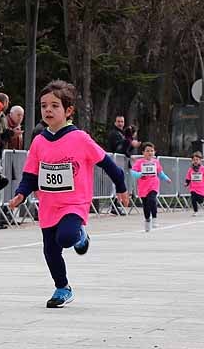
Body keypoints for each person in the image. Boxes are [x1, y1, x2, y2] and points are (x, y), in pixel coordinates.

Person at [7, 80, 129, 308]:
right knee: (50, 251)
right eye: (44, 106)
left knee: (65, 237)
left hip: (74, 202)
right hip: (48, 205)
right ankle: (62, 288)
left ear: (68, 110)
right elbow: (31, 174)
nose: (48, 110)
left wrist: (121, 187)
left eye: (54, 106)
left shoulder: (80, 138)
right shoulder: (39, 141)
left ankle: (81, 235)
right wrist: (21, 194)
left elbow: (109, 164)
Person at [131, 142, 171, 232]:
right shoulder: (139, 162)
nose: (150, 153)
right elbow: (133, 173)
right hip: (143, 187)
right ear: (143, 152)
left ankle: (155, 218)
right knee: (146, 205)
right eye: (147, 151)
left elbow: (160, 173)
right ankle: (147, 220)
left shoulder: (156, 162)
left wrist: (166, 178)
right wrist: (140, 174)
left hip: (153, 185)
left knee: (152, 200)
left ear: (154, 152)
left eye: (152, 151)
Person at [184, 151, 204, 216]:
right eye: (194, 160)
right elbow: (188, 178)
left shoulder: (203, 169)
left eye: (197, 160)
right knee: (193, 199)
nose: (195, 161)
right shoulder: (190, 169)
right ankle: (195, 211)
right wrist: (186, 183)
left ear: (200, 161)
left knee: (200, 200)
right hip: (193, 188)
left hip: (202, 189)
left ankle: (202, 201)